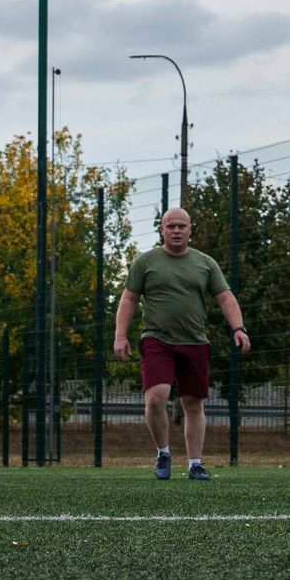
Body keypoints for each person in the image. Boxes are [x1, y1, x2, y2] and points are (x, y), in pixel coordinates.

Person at [112, 206, 247, 480]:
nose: (176, 231)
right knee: (156, 397)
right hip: (156, 340)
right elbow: (128, 298)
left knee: (193, 403)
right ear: (162, 229)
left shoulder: (206, 263)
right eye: (170, 226)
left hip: (195, 342)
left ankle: (195, 464)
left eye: (181, 226)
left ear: (190, 230)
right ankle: (163, 453)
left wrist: (239, 328)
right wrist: (120, 335)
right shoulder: (145, 262)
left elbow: (225, 297)